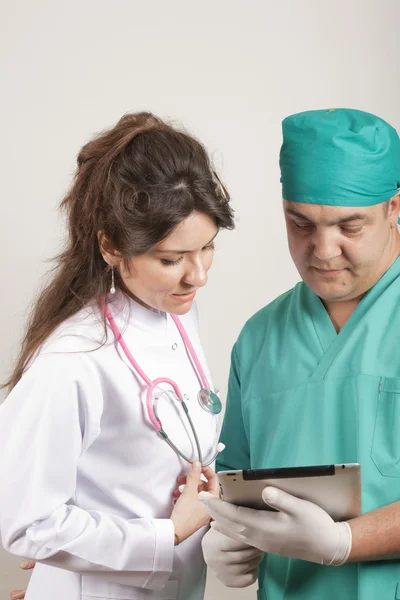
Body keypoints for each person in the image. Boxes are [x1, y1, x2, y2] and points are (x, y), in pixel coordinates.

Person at [0, 111, 234, 600]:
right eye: (171, 260)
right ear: (110, 245)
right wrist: (166, 533)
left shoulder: (175, 312)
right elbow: (27, 526)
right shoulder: (72, 359)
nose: (198, 276)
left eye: (207, 248)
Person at [199, 108, 400, 600]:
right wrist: (224, 533)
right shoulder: (260, 337)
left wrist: (344, 542)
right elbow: (235, 479)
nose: (323, 250)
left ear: (395, 208)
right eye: (301, 223)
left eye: (349, 227)